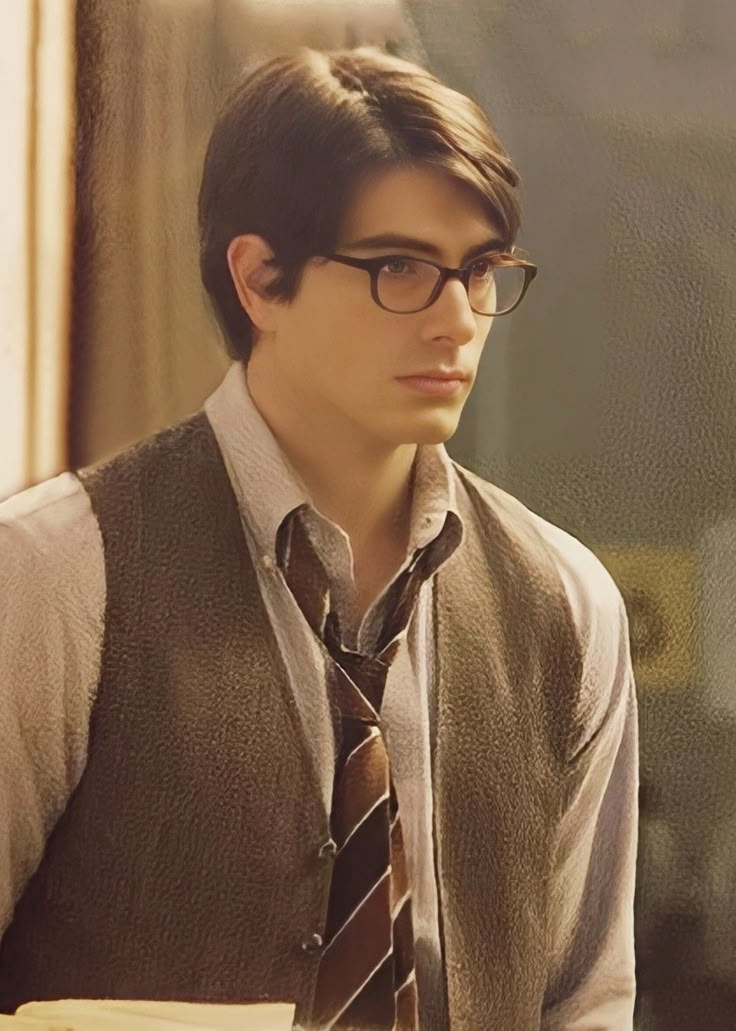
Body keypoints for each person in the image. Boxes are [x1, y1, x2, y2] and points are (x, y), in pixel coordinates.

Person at [0, 44, 639, 1030]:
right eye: (399, 268)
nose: (456, 320)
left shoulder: (565, 599)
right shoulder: (56, 574)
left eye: (479, 271)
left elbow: (583, 999)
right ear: (258, 279)